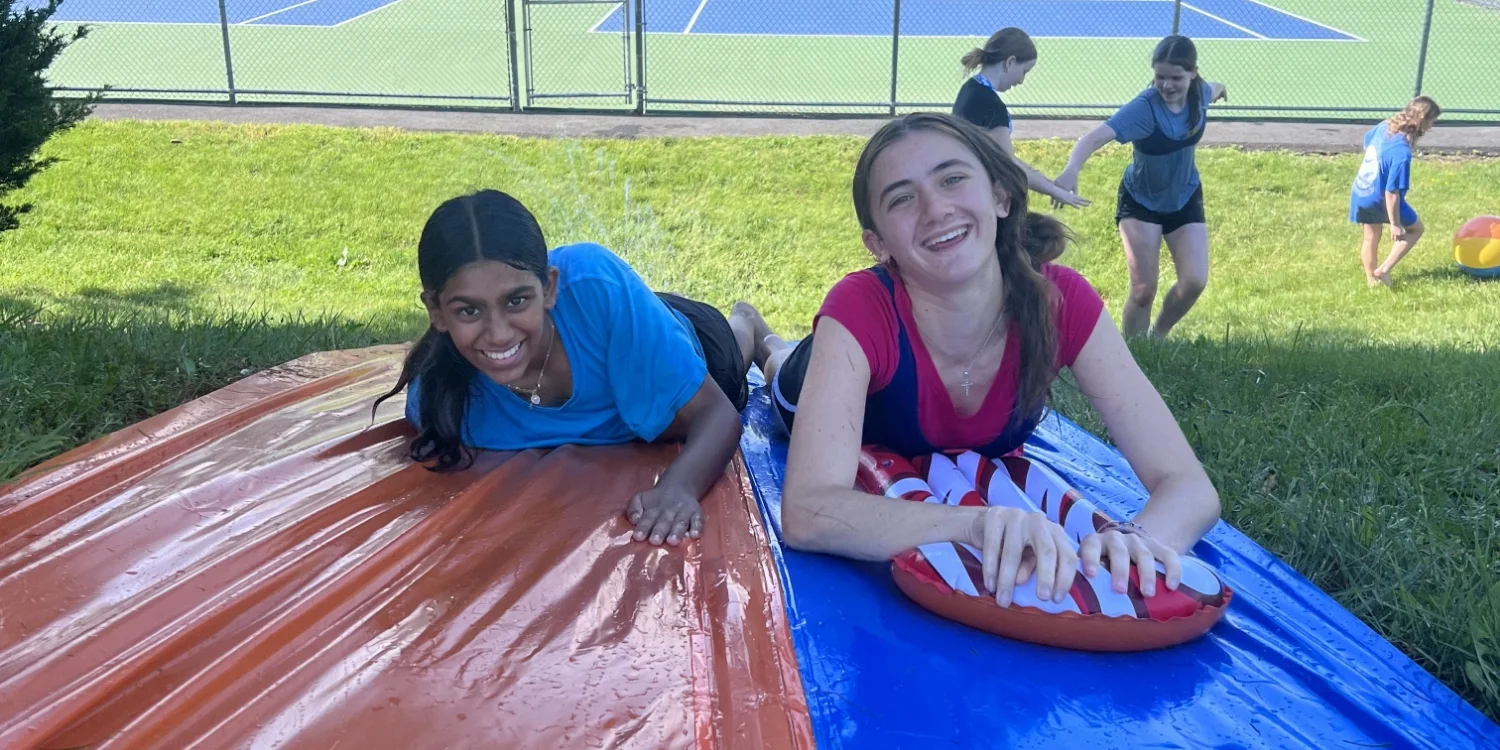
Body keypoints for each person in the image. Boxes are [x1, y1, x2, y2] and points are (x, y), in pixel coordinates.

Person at [763, 112, 1221, 609]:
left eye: (953, 178)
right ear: (878, 245)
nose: (935, 209)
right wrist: (974, 525)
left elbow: (1189, 487)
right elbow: (809, 511)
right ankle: (757, 335)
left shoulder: (1058, 300)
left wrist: (1138, 539)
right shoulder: (859, 308)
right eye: (902, 198)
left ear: (1000, 195)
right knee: (778, 367)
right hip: (818, 372)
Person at [374, 189, 780, 547]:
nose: (497, 334)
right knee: (607, 311)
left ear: (549, 288)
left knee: (732, 364)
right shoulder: (441, 403)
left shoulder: (590, 280)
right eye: (469, 310)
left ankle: (748, 321)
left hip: (690, 339)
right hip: (611, 320)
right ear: (436, 312)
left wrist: (679, 487)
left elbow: (718, 416)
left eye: (516, 301)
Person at [1053, 35, 1227, 339]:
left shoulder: (1199, 93)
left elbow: (1214, 88)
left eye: (1176, 77)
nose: (1167, 85)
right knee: (1143, 290)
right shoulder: (1144, 108)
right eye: (1160, 76)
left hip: (1185, 197)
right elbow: (1092, 138)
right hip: (1142, 202)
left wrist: (1222, 89)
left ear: (1193, 73)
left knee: (1194, 281)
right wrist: (1071, 169)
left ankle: (1157, 336)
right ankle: (1134, 353)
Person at [952, 27, 1088, 209]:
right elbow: (1009, 164)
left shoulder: (970, 89)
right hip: (979, 198)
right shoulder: (991, 105)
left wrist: (1050, 185)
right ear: (1010, 62)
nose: (1022, 81)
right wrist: (1055, 191)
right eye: (1025, 71)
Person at [1350, 96, 1441, 287]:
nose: (1431, 127)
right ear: (1422, 120)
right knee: (1416, 229)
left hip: (1363, 191)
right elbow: (1391, 193)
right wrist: (1395, 223)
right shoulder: (1402, 153)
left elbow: (1368, 143)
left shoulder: (1384, 126)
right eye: (1431, 122)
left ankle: (1371, 280)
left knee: (1370, 237)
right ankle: (1383, 270)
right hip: (1381, 199)